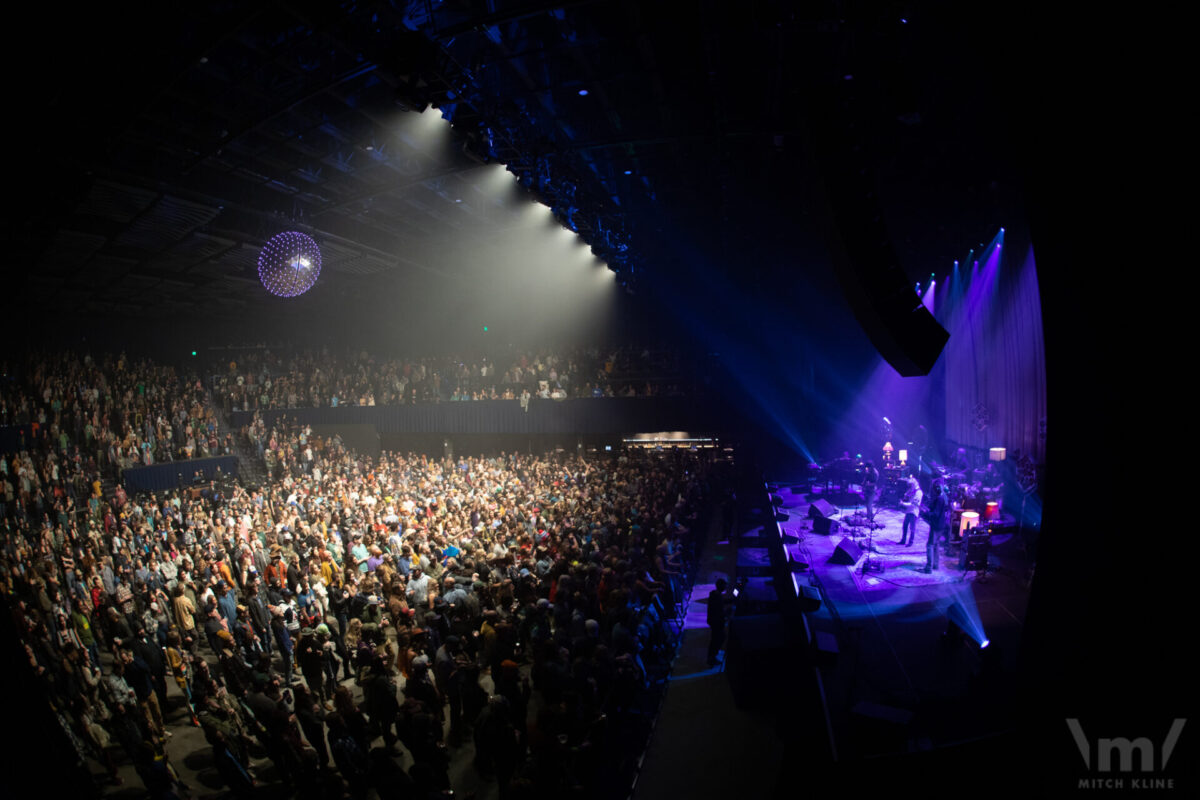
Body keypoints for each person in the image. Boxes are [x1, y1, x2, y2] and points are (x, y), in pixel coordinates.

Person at [924, 480, 951, 574]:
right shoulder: (944, 497)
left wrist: (926, 513)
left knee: (930, 545)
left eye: (935, 488)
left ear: (937, 488)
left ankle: (929, 567)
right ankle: (936, 564)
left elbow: (935, 514)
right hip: (941, 525)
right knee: (936, 545)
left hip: (936, 525)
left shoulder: (940, 499)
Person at [706, 578, 733, 666]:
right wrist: (728, 612)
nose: (726, 587)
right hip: (716, 622)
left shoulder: (715, 594)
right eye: (725, 585)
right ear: (721, 586)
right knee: (718, 639)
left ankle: (712, 656)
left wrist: (731, 600)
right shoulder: (717, 597)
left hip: (713, 621)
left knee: (716, 638)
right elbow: (720, 612)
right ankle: (712, 658)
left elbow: (721, 602)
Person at [900, 473, 923, 547]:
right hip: (909, 511)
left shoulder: (919, 493)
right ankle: (903, 540)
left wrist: (903, 504)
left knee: (912, 528)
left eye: (910, 486)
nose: (909, 487)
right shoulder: (912, 490)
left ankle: (911, 542)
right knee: (905, 525)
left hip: (913, 512)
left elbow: (913, 504)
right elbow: (907, 495)